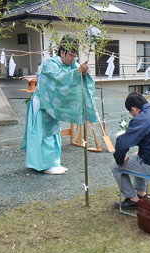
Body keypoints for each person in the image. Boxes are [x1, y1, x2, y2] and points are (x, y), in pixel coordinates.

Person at [21, 35, 95, 175]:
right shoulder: (50, 64)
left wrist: (84, 73)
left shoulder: (71, 64)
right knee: (43, 134)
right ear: (62, 52)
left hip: (53, 106)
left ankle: (54, 162)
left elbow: (75, 77)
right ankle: (43, 164)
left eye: (75, 56)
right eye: (71, 55)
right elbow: (59, 79)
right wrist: (78, 71)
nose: (73, 59)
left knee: (54, 133)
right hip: (43, 104)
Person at [111, 91, 150, 210]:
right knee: (136, 156)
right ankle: (142, 194)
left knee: (115, 166)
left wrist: (120, 162)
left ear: (133, 109)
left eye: (130, 112)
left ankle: (132, 199)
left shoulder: (140, 119)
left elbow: (122, 143)